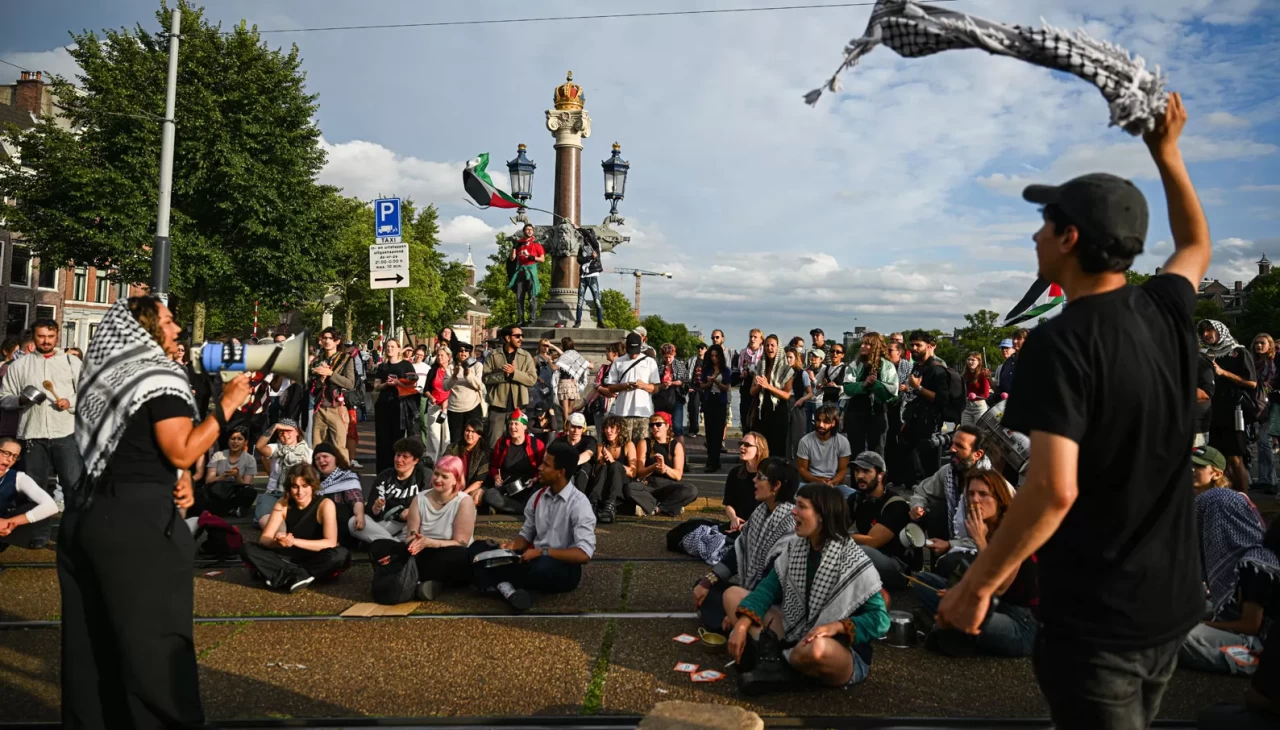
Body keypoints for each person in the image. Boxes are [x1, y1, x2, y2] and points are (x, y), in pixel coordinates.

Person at [938, 94, 1211, 730]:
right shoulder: (1167, 309)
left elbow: (1054, 489)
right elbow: (1196, 242)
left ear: (1070, 237)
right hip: (1170, 602)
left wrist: (980, 583)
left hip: (1098, 615)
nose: (1035, 234)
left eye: (1045, 222)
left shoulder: (1059, 342)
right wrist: (1166, 151)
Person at [59, 296, 250, 728]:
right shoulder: (157, 375)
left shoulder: (104, 376)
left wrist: (173, 474)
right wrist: (227, 404)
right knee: (156, 644)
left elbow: (130, 447)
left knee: (91, 647)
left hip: (85, 516)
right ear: (146, 329)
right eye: (167, 321)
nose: (177, 329)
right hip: (137, 525)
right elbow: (180, 446)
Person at [728, 483, 890, 695]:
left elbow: (881, 621)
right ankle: (781, 666)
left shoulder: (853, 560)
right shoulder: (795, 547)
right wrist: (741, 626)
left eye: (801, 506)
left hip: (839, 650)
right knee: (732, 595)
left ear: (822, 515)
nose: (793, 511)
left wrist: (838, 627)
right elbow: (765, 591)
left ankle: (775, 663)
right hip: (797, 635)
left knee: (816, 649)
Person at [913, 469, 1038, 658]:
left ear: (999, 498)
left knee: (956, 610)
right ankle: (954, 631)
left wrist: (980, 540)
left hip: (1022, 621)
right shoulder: (989, 526)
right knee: (922, 581)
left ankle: (954, 632)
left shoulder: (1014, 528)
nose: (975, 500)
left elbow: (1000, 585)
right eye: (971, 494)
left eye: (983, 494)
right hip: (995, 605)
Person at [1179, 446, 1278, 676]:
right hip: (1230, 616)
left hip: (1260, 641)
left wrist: (1206, 626)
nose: (1191, 470)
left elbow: (1251, 626)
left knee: (1178, 635)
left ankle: (1252, 663)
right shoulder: (1238, 558)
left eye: (1199, 466)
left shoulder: (1255, 563)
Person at [469, 441, 596, 611]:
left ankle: (496, 583)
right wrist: (508, 547)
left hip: (561, 568)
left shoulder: (579, 504)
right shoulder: (537, 497)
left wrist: (543, 552)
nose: (540, 468)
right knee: (477, 549)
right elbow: (526, 535)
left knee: (542, 566)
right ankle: (510, 590)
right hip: (531, 558)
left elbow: (584, 554)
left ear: (561, 473)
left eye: (546, 464)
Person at [694, 458, 799, 632]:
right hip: (751, 592)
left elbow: (773, 582)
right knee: (703, 589)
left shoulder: (791, 525)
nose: (754, 480)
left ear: (776, 485)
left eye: (760, 477)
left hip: (774, 603)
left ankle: (748, 631)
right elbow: (737, 552)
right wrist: (707, 581)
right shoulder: (760, 511)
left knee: (729, 604)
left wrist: (743, 608)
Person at [0, 318, 83, 509]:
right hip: (32, 434)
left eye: (51, 336)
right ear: (33, 337)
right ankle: (37, 536)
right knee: (34, 489)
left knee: (73, 486)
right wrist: (20, 400)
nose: (46, 341)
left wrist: (69, 402)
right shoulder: (19, 366)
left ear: (57, 336)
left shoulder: (72, 362)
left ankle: (73, 533)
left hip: (65, 433)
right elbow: (4, 397)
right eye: (41, 336)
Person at [243, 464, 351, 592]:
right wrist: (278, 541)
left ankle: (283, 575)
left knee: (341, 555)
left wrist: (293, 541)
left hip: (316, 557)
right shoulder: (283, 503)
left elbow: (330, 542)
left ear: (313, 486)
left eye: (305, 486)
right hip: (290, 557)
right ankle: (299, 575)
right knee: (247, 548)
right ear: (289, 488)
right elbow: (264, 540)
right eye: (295, 487)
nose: (300, 492)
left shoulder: (325, 504)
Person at [907, 424, 995, 577]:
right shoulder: (948, 472)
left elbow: (989, 540)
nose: (952, 449)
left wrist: (950, 545)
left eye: (959, 446)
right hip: (956, 537)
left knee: (948, 564)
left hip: (985, 550)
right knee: (928, 511)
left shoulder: (992, 486)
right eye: (952, 444)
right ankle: (924, 568)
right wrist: (917, 507)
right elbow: (922, 492)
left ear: (977, 454)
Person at [398, 454, 477, 600]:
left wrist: (430, 542)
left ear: (456, 480)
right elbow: (411, 534)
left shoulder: (464, 502)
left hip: (450, 553)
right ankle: (427, 582)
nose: (438, 480)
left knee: (460, 556)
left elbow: (461, 542)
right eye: (436, 474)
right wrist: (414, 543)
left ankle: (414, 579)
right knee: (382, 547)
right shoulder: (420, 498)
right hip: (423, 552)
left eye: (444, 477)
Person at [1199, 319, 1257, 493]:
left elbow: (1252, 382)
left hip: (1233, 411)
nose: (1206, 334)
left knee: (1235, 458)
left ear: (1220, 331)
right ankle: (1224, 498)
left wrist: (1223, 373)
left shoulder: (1239, 352)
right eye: (1203, 331)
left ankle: (1243, 500)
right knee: (1217, 458)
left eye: (1210, 330)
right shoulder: (1205, 354)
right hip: (1212, 411)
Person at [846, 451, 911, 589]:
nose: (860, 476)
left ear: (880, 475)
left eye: (866, 471)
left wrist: (838, 537)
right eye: (857, 471)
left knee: (860, 551)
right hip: (869, 560)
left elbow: (872, 542)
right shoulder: (856, 499)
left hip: (897, 567)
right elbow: (836, 524)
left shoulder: (896, 504)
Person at [351, 438, 430, 544]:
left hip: (412, 524)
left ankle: (384, 543)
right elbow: (371, 511)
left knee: (424, 529)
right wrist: (376, 508)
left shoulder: (424, 475)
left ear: (415, 460)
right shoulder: (385, 476)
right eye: (397, 455)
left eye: (405, 457)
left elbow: (430, 505)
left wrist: (412, 512)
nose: (399, 460)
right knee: (353, 523)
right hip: (386, 524)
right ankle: (394, 544)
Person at [624, 412, 697, 517]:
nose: (654, 428)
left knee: (691, 490)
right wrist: (652, 468)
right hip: (649, 486)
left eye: (658, 424)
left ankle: (655, 508)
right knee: (630, 488)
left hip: (668, 486)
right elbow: (639, 472)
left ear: (667, 426)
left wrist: (664, 468)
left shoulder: (675, 445)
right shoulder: (645, 443)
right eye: (651, 425)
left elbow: (677, 475)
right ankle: (670, 507)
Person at [842, 332, 898, 457]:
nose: (863, 346)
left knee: (877, 452)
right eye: (863, 343)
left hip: (877, 413)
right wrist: (864, 384)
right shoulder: (855, 364)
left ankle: (877, 476)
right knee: (856, 451)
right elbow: (847, 388)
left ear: (876, 346)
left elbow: (891, 393)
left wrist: (875, 384)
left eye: (867, 344)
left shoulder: (887, 366)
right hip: (855, 412)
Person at [482, 325, 537, 449]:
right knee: (493, 445)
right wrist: (503, 376)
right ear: (507, 338)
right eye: (517, 336)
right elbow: (485, 378)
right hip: (497, 408)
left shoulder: (526, 356)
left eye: (522, 336)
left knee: (517, 442)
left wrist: (515, 373)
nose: (521, 339)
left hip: (518, 407)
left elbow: (532, 379)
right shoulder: (493, 355)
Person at [600, 333, 660, 444]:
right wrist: (624, 386)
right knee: (623, 446)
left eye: (636, 351)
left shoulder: (650, 362)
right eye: (631, 351)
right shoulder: (618, 362)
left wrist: (643, 385)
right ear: (626, 347)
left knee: (642, 447)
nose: (634, 355)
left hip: (643, 413)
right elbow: (610, 387)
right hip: (623, 412)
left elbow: (655, 388)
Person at [485, 409, 546, 515]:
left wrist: (535, 478)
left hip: (528, 487)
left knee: (541, 492)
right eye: (511, 424)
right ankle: (524, 509)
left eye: (516, 424)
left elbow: (543, 467)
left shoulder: (537, 444)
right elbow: (494, 465)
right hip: (507, 488)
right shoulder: (502, 443)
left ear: (525, 426)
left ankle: (506, 508)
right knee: (489, 494)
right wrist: (495, 477)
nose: (512, 427)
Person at [0, 438, 57, 552]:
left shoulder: (17, 477)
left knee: (34, 508)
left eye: (15, 456)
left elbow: (51, 506)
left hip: (2, 529)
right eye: (6, 453)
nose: (10, 459)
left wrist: (9, 523)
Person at [309, 327, 357, 461]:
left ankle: (344, 479)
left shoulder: (346, 359)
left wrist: (331, 374)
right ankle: (319, 479)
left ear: (337, 341)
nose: (327, 341)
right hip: (319, 408)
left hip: (337, 408)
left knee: (339, 447)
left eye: (331, 338)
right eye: (325, 338)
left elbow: (350, 383)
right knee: (317, 447)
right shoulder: (317, 360)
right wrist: (320, 379)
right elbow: (311, 386)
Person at [372, 339, 418, 473]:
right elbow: (376, 386)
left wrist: (398, 382)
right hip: (383, 406)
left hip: (400, 406)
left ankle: (397, 469)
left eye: (392, 346)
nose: (389, 349)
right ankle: (382, 471)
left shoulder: (406, 365)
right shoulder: (382, 366)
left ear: (399, 349)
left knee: (397, 438)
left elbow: (413, 383)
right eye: (387, 347)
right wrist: (386, 384)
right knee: (382, 439)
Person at [312, 443, 366, 548]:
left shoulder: (347, 476)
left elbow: (356, 499)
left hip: (341, 526)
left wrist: (360, 515)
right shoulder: (313, 480)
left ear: (335, 458)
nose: (321, 461)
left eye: (325, 456)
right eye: (317, 458)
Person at [587, 414, 636, 523]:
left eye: (612, 428)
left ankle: (611, 504)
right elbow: (596, 472)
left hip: (621, 483)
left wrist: (613, 461)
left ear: (620, 430)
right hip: (604, 483)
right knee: (604, 467)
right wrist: (602, 461)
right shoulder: (601, 446)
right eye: (606, 428)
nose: (608, 431)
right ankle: (593, 502)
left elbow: (633, 472)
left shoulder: (628, 445)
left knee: (615, 465)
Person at [751, 335, 794, 458]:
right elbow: (752, 391)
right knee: (762, 448)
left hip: (778, 411)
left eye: (772, 345)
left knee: (777, 449)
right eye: (767, 345)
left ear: (778, 348)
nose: (769, 348)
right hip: (762, 411)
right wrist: (760, 385)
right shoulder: (760, 366)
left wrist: (768, 386)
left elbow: (786, 395)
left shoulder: (786, 369)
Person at [796, 406, 852, 496]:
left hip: (834, 485)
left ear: (833, 423)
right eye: (818, 420)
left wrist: (832, 483)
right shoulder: (805, 441)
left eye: (826, 422)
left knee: (853, 495)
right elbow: (802, 470)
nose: (821, 425)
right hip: (811, 484)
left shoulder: (842, 442)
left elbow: (843, 470)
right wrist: (818, 481)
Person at [722, 431, 770, 531]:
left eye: (747, 445)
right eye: (741, 444)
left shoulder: (768, 476)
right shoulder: (735, 473)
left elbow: (770, 510)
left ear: (759, 450)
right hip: (737, 526)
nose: (742, 447)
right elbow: (728, 504)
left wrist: (749, 525)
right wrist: (734, 518)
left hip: (759, 528)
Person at [697, 344, 733, 473]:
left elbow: (727, 388)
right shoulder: (706, 369)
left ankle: (715, 461)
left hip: (720, 400)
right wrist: (708, 383)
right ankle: (710, 460)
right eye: (711, 356)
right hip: (709, 400)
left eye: (716, 356)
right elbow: (702, 386)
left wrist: (716, 382)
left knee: (718, 432)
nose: (713, 358)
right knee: (709, 432)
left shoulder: (726, 370)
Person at [444, 418, 490, 508]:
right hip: (453, 485)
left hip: (471, 488)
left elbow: (479, 481)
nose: (469, 434)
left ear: (479, 435)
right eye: (467, 431)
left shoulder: (483, 453)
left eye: (473, 432)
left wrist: (462, 494)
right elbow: (444, 468)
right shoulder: (453, 448)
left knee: (476, 497)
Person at [444, 341, 483, 447]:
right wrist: (454, 376)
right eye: (461, 350)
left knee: (473, 440)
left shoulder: (477, 365)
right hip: (455, 409)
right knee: (456, 441)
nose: (463, 352)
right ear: (456, 352)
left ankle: (472, 462)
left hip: (472, 407)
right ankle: (457, 462)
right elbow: (445, 386)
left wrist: (468, 375)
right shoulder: (451, 367)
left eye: (467, 350)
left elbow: (479, 385)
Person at [1250, 334, 1276, 494]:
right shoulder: (1254, 362)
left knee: (1265, 441)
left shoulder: (1273, 362)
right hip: (1258, 404)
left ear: (1270, 345)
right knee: (1261, 442)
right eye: (1256, 343)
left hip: (1272, 404)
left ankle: (1270, 481)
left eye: (1262, 343)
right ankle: (1264, 479)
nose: (1259, 346)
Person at [509, 223, 546, 325]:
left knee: (532, 297)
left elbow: (542, 259)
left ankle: (532, 319)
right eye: (527, 229)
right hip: (520, 272)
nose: (529, 231)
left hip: (531, 271)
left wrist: (530, 256)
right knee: (519, 298)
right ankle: (520, 320)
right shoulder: (519, 244)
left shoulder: (537, 244)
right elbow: (512, 258)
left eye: (531, 230)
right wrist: (514, 247)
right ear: (524, 231)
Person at [421, 342, 452, 462]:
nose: (439, 357)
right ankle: (432, 461)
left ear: (448, 356)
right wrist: (431, 397)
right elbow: (426, 389)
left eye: (442, 355)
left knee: (446, 437)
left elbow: (456, 389)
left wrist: (447, 402)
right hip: (434, 405)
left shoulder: (453, 370)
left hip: (448, 406)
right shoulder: (433, 370)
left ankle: (445, 461)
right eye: (438, 355)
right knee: (433, 435)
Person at [653, 343, 690, 443]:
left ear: (674, 355)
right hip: (662, 398)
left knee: (677, 427)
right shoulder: (659, 365)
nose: (668, 359)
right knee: (660, 425)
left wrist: (676, 383)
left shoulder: (679, 365)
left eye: (670, 357)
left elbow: (686, 381)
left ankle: (681, 453)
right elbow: (654, 381)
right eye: (666, 357)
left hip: (676, 397)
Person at [785, 346, 814, 458]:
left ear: (796, 358)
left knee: (798, 434)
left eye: (791, 357)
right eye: (786, 357)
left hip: (797, 404)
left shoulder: (802, 374)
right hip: (784, 403)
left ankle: (799, 460)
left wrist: (802, 399)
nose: (788, 360)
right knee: (786, 435)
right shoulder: (782, 372)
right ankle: (787, 458)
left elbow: (810, 393)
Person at [555, 336, 592, 421]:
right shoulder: (576, 355)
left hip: (564, 383)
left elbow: (555, 367)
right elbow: (591, 366)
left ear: (563, 345)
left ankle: (566, 427)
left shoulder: (564, 356)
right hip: (573, 383)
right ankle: (570, 424)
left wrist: (550, 362)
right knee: (570, 408)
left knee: (565, 409)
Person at [736, 329, 764, 433]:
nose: (752, 339)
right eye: (751, 336)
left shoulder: (764, 352)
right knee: (745, 416)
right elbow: (739, 367)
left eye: (755, 337)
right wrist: (742, 373)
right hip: (747, 385)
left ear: (761, 340)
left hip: (759, 385)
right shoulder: (743, 352)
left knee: (757, 417)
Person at [574, 231, 605, 328]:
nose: (586, 239)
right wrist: (590, 257)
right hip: (583, 276)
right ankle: (578, 321)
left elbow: (590, 238)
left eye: (588, 237)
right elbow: (579, 260)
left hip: (593, 275)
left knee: (596, 299)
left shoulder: (596, 246)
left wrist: (580, 229)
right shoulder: (582, 247)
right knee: (580, 300)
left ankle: (600, 321)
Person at [960, 352, 991, 426]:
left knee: (979, 432)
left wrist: (975, 397)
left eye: (973, 360)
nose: (970, 362)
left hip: (979, 408)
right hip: (967, 407)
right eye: (969, 359)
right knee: (965, 430)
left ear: (979, 362)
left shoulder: (983, 374)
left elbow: (986, 395)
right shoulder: (965, 375)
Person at [686, 343, 707, 437]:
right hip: (694, 387)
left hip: (706, 387)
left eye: (702, 348)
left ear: (706, 349)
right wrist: (688, 386)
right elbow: (686, 373)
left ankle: (709, 430)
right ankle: (693, 430)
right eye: (698, 348)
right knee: (694, 408)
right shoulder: (692, 360)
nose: (700, 350)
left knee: (708, 409)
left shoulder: (709, 360)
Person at [990, 338, 1018, 405]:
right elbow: (997, 389)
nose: (1004, 350)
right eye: (1002, 348)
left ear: (1014, 349)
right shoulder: (1000, 367)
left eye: (1007, 348)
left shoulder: (1019, 365)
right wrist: (988, 378)